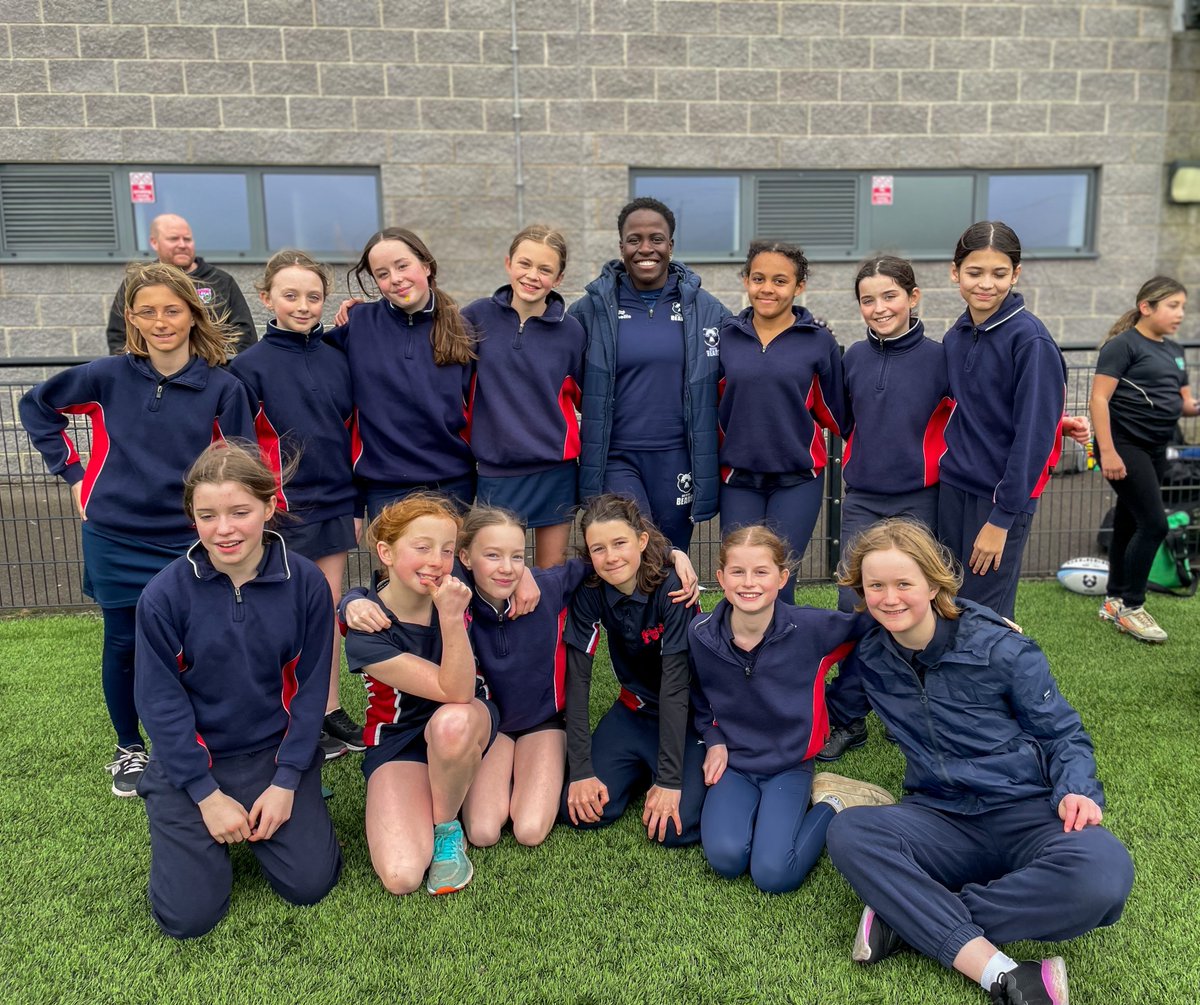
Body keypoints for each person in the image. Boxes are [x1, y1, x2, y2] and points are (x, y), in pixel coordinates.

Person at [825, 518, 1134, 1005]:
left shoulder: (1000, 647)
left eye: (904, 583)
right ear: (861, 591)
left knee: (1104, 875)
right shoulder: (870, 656)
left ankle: (908, 920)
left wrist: (1077, 787)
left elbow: (1062, 731)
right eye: (875, 585)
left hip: (1024, 810)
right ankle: (992, 966)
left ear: (932, 582)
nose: (890, 598)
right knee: (850, 833)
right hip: (940, 816)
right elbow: (823, 715)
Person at [19, 261, 255, 797]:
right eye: (147, 311)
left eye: (172, 310)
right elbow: (37, 407)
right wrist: (74, 473)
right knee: (123, 643)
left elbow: (240, 465)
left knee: (202, 644)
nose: (160, 320)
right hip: (115, 533)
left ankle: (205, 741)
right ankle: (130, 747)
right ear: (132, 317)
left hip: (189, 540)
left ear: (193, 315)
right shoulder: (105, 375)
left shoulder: (223, 387)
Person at [133, 441, 342, 938]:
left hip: (273, 756)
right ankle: (178, 814)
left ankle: (281, 809)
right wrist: (206, 796)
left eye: (240, 512)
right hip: (195, 763)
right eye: (207, 515)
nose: (224, 529)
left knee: (311, 884)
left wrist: (288, 780)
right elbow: (160, 705)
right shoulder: (164, 596)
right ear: (193, 517)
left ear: (270, 507)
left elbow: (312, 692)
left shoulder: (307, 583)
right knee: (188, 918)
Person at [689, 525, 892, 894]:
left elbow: (876, 621)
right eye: (737, 572)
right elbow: (698, 695)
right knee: (726, 858)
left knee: (775, 874)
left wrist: (841, 707)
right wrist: (713, 737)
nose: (749, 583)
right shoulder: (701, 634)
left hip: (790, 764)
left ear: (782, 578)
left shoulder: (812, 628)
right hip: (734, 763)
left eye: (761, 572)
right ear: (720, 577)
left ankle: (833, 802)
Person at [229, 249, 364, 758]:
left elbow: (351, 434)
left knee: (324, 614)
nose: (303, 305)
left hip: (334, 506)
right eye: (290, 295)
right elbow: (241, 451)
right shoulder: (247, 368)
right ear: (267, 299)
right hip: (282, 512)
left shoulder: (338, 357)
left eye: (313, 296)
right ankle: (282, 713)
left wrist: (354, 505)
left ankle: (327, 710)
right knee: (279, 615)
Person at [819, 255, 951, 761]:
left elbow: (984, 417)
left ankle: (909, 711)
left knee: (910, 610)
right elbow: (839, 419)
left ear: (914, 297)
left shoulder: (941, 357)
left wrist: (1057, 431)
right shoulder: (852, 356)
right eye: (868, 299)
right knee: (856, 607)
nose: (879, 307)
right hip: (863, 500)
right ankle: (848, 718)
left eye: (890, 296)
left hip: (920, 500)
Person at [345, 495, 498, 896]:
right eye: (422, 547)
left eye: (447, 551)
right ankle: (443, 790)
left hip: (465, 724)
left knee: (451, 723)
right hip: (400, 740)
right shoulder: (367, 624)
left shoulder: (456, 594)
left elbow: (461, 696)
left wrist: (674, 556)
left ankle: (447, 826)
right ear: (386, 552)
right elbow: (449, 685)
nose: (436, 561)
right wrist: (350, 602)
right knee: (402, 875)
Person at [568, 197, 731, 551]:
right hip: (616, 456)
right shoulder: (588, 311)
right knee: (631, 546)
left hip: (678, 456)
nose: (646, 249)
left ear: (670, 246)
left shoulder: (708, 310)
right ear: (621, 246)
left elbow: (747, 357)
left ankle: (674, 609)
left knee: (672, 554)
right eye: (634, 239)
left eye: (656, 239)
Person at [937, 221, 1068, 622]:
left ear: (1016, 274)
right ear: (955, 272)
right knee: (947, 601)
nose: (986, 284)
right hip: (953, 489)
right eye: (975, 272)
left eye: (999, 273)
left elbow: (1033, 436)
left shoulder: (1031, 340)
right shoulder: (956, 335)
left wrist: (1001, 520)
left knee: (984, 616)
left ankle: (991, 687)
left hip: (999, 502)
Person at [561, 494, 705, 846]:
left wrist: (670, 780)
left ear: (641, 540)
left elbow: (675, 686)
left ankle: (664, 770)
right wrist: (581, 771)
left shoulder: (673, 588)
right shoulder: (590, 591)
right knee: (579, 812)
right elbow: (577, 682)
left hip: (688, 718)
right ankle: (638, 769)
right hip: (634, 713)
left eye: (620, 543)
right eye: (598, 549)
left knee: (673, 829)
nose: (610, 557)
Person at [716, 240, 843, 601]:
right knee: (741, 582)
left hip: (798, 481)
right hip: (738, 481)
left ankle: (780, 656)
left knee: (779, 582)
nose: (767, 288)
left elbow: (836, 413)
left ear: (798, 286)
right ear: (745, 280)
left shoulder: (818, 342)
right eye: (758, 278)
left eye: (780, 280)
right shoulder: (725, 337)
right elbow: (709, 407)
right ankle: (737, 655)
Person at [326, 228, 476, 519]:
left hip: (452, 483)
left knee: (448, 566)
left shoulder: (463, 328)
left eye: (402, 265)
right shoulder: (357, 324)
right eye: (382, 274)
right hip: (385, 486)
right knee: (396, 566)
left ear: (426, 265)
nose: (395, 278)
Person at [463, 225, 586, 568]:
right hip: (496, 471)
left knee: (551, 575)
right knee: (498, 574)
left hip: (555, 471)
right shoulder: (475, 317)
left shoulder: (572, 332)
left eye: (545, 269)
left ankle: (552, 625)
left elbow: (586, 399)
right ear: (508, 264)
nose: (533, 276)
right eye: (525, 264)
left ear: (558, 278)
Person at [1090, 277, 1199, 643]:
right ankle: (1132, 607)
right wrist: (1107, 452)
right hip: (1124, 446)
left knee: (1128, 521)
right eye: (1172, 306)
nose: (1180, 314)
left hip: (1156, 448)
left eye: (1182, 306)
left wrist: (1193, 407)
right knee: (1153, 524)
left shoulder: (1176, 350)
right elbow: (1099, 400)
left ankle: (1113, 599)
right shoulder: (1122, 346)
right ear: (1146, 307)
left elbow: (1184, 403)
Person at [105, 214, 257, 355]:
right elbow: (118, 336)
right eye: (173, 239)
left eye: (187, 239)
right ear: (154, 242)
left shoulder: (220, 281)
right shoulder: (138, 283)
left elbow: (244, 333)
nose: (182, 245)